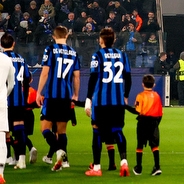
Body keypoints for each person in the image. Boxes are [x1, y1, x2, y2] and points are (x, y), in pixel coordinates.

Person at [85, 27, 132, 177]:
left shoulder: (97, 55)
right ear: (114, 40)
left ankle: (97, 167)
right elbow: (128, 78)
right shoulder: (123, 55)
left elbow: (93, 78)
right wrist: (125, 95)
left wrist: (88, 99)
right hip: (118, 101)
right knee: (118, 130)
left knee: (97, 131)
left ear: (101, 40)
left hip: (101, 101)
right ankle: (124, 163)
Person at [35, 25, 79, 171]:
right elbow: (76, 76)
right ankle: (65, 161)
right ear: (66, 36)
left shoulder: (50, 49)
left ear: (54, 36)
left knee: (45, 129)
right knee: (62, 131)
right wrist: (76, 95)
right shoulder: (73, 52)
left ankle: (59, 152)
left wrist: (38, 92)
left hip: (52, 96)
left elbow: (45, 73)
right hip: (66, 96)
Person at [1, 34, 29, 170]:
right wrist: (26, 97)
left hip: (4, 100)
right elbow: (27, 79)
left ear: (1, 45)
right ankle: (21, 159)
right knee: (19, 129)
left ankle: (8, 158)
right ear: (14, 43)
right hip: (19, 100)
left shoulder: (1, 59)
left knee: (5, 131)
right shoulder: (21, 59)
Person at [134, 75, 163, 176]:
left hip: (143, 122)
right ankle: (157, 166)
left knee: (140, 145)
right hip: (154, 122)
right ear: (154, 84)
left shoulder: (140, 96)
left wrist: (125, 107)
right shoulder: (157, 96)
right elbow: (160, 113)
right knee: (154, 145)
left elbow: (137, 111)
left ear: (143, 84)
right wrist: (156, 124)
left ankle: (139, 168)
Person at [0, 37, 14, 184]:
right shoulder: (5, 59)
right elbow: (11, 83)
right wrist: (4, 95)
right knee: (1, 136)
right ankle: (0, 174)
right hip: (1, 103)